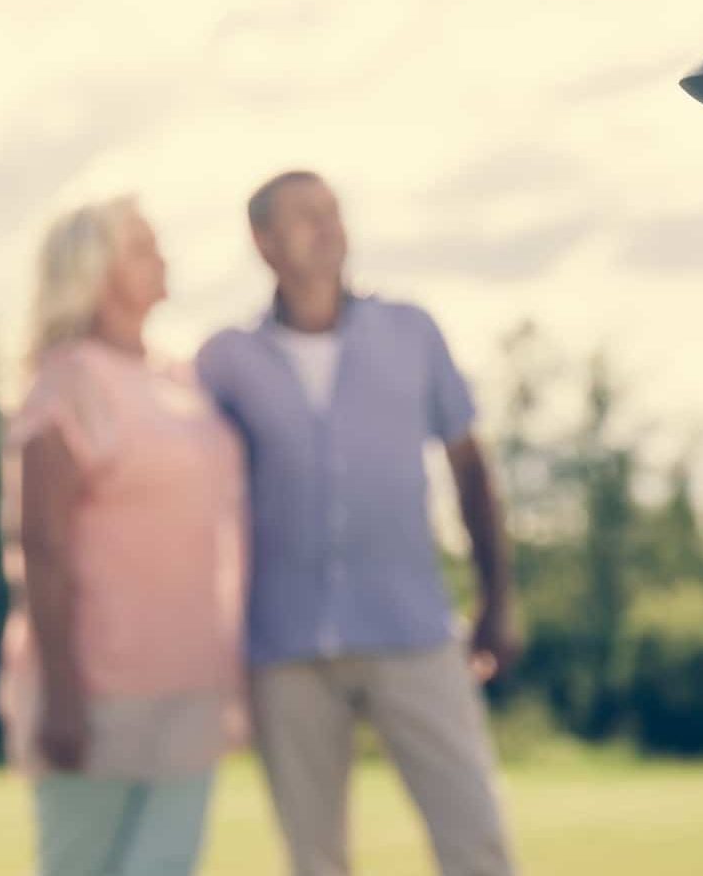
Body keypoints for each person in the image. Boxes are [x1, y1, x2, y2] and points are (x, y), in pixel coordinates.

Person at [196, 170, 518, 876]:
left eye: (335, 211)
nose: (329, 227)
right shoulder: (225, 361)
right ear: (263, 241)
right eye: (306, 215)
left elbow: (470, 469)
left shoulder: (411, 330)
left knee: (477, 842)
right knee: (314, 859)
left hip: (414, 630)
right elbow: (192, 500)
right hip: (283, 646)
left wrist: (497, 599)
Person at [0, 196, 247, 876]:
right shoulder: (66, 382)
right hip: (98, 693)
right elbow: (41, 546)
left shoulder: (181, 380)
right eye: (142, 246)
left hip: (191, 684)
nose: (161, 256)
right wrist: (62, 695)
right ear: (95, 268)